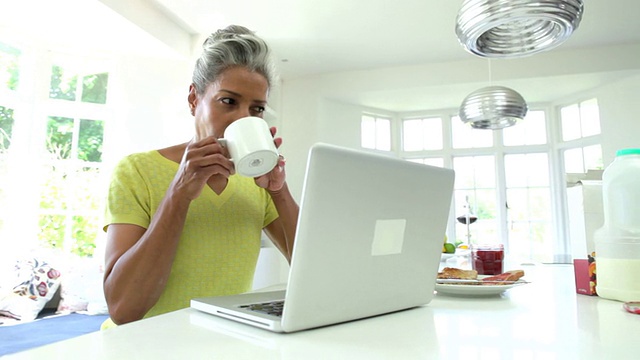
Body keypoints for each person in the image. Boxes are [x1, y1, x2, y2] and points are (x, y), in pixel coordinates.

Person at [102, 25, 299, 326]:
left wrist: (278, 191)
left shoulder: (257, 184)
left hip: (224, 344)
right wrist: (179, 193)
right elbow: (123, 309)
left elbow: (311, 270)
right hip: (141, 347)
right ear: (195, 99)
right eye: (228, 101)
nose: (243, 118)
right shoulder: (136, 171)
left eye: (256, 109)